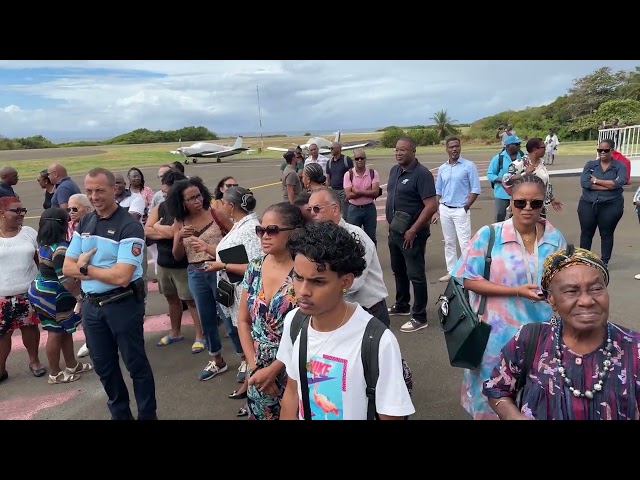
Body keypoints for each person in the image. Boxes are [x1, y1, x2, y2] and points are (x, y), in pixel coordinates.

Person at [451, 174, 567, 420]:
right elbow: (467, 278)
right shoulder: (489, 235)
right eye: (520, 202)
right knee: (491, 395)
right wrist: (515, 291)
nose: (527, 208)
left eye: (535, 203)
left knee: (535, 392)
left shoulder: (555, 239)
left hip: (540, 335)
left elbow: (564, 281)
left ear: (543, 203)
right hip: (494, 336)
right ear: (510, 202)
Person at [276, 220, 415, 420]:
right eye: (298, 277)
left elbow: (390, 415)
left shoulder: (376, 340)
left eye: (318, 281)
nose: (303, 291)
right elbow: (292, 391)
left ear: (346, 281)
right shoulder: (294, 322)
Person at [483, 246, 640, 420]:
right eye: (571, 291)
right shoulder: (530, 339)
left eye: (596, 289)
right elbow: (497, 389)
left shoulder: (635, 349)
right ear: (551, 299)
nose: (587, 301)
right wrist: (513, 416)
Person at [62, 168, 157, 420]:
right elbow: (66, 267)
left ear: (113, 189)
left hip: (123, 305)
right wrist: (94, 269)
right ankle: (120, 415)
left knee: (136, 366)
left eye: (100, 190)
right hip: (92, 308)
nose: (94, 196)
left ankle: (148, 416)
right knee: (105, 368)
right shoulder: (85, 222)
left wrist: (85, 267)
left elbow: (122, 276)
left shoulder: (130, 226)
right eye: (89, 190)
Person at [236, 202, 305, 419]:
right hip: (257, 367)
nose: (264, 236)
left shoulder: (304, 272)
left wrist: (274, 368)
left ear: (294, 232)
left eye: (272, 230)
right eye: (260, 230)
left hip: (294, 367)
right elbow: (244, 321)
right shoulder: (255, 266)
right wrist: (255, 368)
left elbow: (310, 331)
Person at [165, 176, 235, 381]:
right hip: (196, 272)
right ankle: (217, 360)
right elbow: (177, 255)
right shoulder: (180, 222)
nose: (198, 201)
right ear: (181, 202)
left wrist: (214, 251)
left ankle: (244, 359)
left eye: (199, 196)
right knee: (206, 319)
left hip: (219, 270)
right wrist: (178, 237)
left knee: (229, 317)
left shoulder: (216, 214)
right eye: (191, 198)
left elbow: (236, 241)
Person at [202, 186, 262, 390]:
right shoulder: (239, 225)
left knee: (252, 340)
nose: (219, 205)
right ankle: (249, 382)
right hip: (235, 290)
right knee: (247, 339)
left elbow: (257, 266)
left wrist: (223, 266)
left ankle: (255, 386)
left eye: (222, 201)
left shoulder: (249, 230)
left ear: (231, 205)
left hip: (245, 292)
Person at [28, 207, 94, 384]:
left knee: (65, 329)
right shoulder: (61, 249)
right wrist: (80, 297)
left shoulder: (45, 244)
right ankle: (55, 373)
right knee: (55, 332)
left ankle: (71, 364)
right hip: (53, 297)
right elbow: (66, 279)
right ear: (64, 225)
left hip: (42, 292)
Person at [308, 188, 390, 327]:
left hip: (368, 311)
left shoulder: (355, 237)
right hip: (340, 312)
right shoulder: (320, 238)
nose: (312, 214)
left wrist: (320, 289)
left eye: (317, 209)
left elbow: (354, 283)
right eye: (309, 210)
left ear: (335, 209)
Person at [385, 136, 438, 333]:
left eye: (403, 150)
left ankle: (419, 315)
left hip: (413, 234)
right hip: (396, 232)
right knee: (398, 270)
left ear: (413, 151)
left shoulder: (421, 174)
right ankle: (402, 304)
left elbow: (431, 205)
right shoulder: (394, 171)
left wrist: (414, 229)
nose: (399, 153)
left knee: (415, 274)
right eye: (396, 149)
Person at [0, 197, 45, 382]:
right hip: (2, 295)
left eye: (22, 210)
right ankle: (1, 368)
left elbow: (38, 259)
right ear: (1, 213)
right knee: (2, 334)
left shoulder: (28, 233)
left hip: (28, 292)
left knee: (30, 329)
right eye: (15, 211)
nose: (21, 214)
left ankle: (34, 361)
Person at [431, 136, 481, 282]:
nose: (454, 149)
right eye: (451, 147)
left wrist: (466, 206)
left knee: (465, 242)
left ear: (460, 147)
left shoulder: (468, 166)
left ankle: (466, 272)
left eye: (457, 146)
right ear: (446, 149)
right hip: (445, 208)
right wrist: (436, 210)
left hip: (460, 209)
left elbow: (475, 189)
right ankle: (452, 272)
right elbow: (438, 190)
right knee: (449, 242)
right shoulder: (442, 168)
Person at [577, 139, 626, 267]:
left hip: (611, 205)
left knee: (607, 233)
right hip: (588, 203)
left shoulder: (620, 166)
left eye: (605, 150)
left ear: (612, 151)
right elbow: (584, 183)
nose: (602, 152)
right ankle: (584, 260)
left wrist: (596, 180)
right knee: (586, 232)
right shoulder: (590, 165)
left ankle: (604, 261)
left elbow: (619, 183)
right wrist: (609, 185)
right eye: (600, 150)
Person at [502, 137, 564, 219]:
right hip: (523, 206)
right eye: (543, 147)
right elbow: (506, 181)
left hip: (539, 206)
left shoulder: (542, 163)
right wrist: (525, 173)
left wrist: (552, 199)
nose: (545, 150)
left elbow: (545, 183)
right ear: (535, 149)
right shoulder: (519, 163)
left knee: (539, 229)